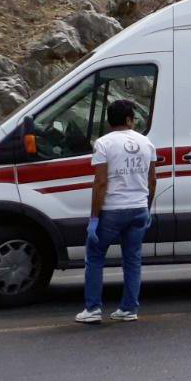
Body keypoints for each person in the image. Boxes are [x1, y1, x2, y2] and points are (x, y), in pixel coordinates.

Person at [76, 99, 157, 324]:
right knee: (132, 260)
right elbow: (152, 180)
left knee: (95, 256)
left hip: (112, 210)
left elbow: (101, 182)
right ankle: (129, 309)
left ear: (109, 121)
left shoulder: (104, 143)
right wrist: (147, 208)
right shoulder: (147, 143)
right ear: (129, 119)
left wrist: (94, 218)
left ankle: (93, 309)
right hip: (138, 209)